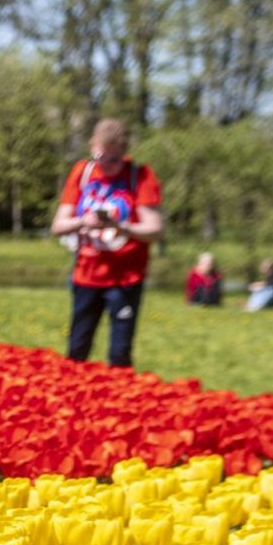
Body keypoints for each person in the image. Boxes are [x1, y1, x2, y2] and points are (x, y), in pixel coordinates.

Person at [50, 118, 163, 368]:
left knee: (120, 353)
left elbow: (154, 230)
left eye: (114, 159)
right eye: (101, 157)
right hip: (86, 274)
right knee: (77, 349)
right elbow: (58, 226)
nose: (107, 165)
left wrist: (120, 227)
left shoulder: (140, 176)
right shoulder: (82, 172)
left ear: (124, 153)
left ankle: (118, 391)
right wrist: (84, 221)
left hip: (125, 278)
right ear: (92, 148)